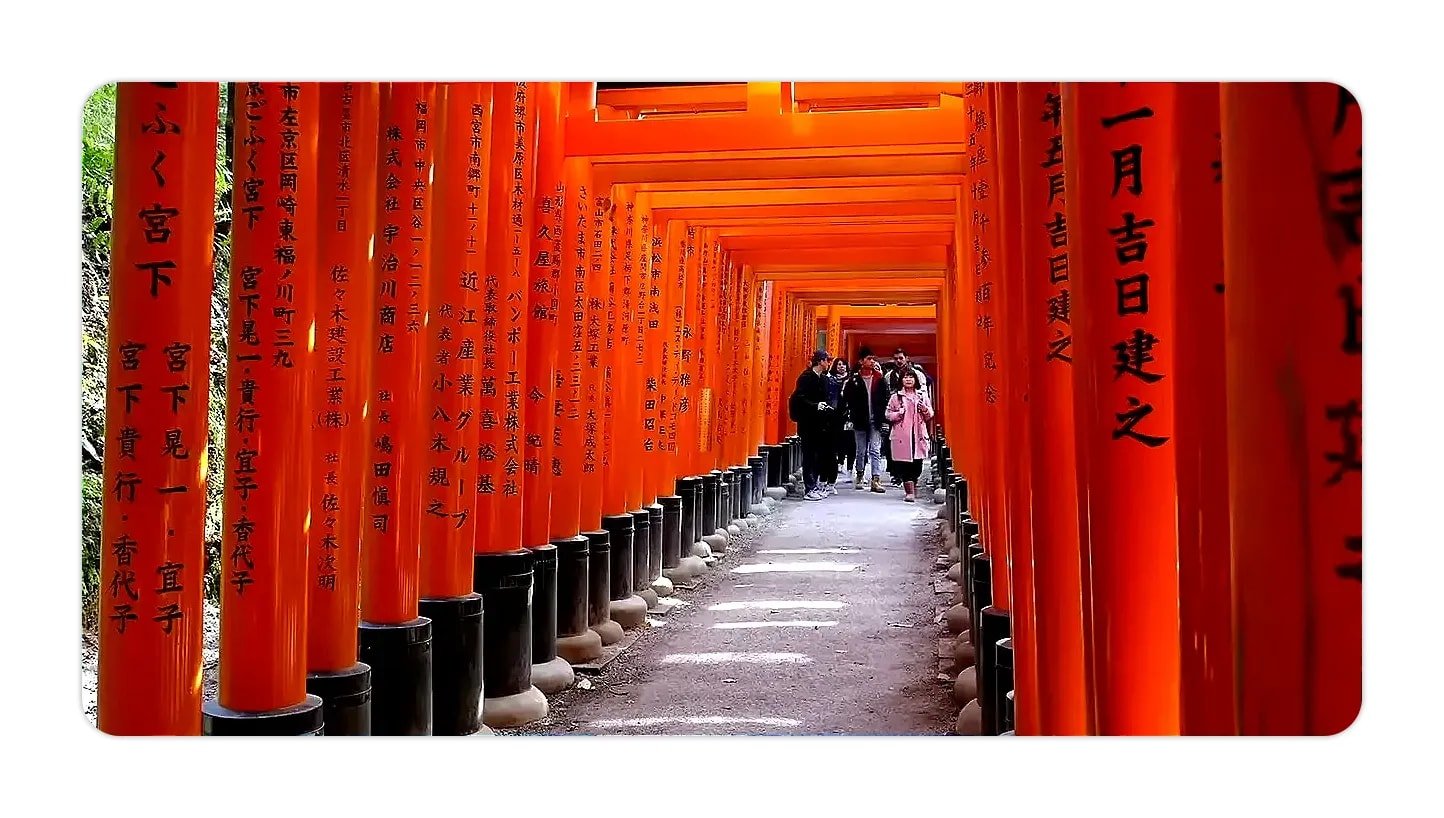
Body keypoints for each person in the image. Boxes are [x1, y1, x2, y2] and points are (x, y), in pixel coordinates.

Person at [787, 349, 835, 501]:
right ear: (820, 361)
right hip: (808, 423)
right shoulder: (806, 377)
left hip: (821, 424)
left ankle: (814, 485)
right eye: (827, 360)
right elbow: (799, 399)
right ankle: (809, 488)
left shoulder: (823, 379)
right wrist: (815, 406)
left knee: (817, 456)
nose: (829, 363)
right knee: (809, 456)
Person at [884, 366, 934, 502]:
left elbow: (930, 414)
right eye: (905, 377)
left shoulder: (922, 396)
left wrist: (924, 409)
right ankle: (909, 492)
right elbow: (888, 414)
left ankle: (913, 486)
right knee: (905, 464)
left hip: (918, 434)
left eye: (910, 377)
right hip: (902, 435)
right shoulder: (896, 397)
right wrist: (898, 413)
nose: (908, 379)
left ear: (915, 379)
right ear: (901, 380)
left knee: (917, 465)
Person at [843, 353, 889, 493]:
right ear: (861, 361)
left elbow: (885, 397)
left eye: (873, 359)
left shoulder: (879, 379)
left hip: (875, 419)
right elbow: (847, 398)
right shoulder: (854, 380)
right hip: (860, 419)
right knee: (860, 450)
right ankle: (860, 475)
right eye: (869, 359)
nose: (872, 361)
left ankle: (875, 479)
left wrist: (883, 417)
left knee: (875, 450)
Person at [827, 357, 854, 485]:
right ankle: (839, 462)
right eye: (839, 364)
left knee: (849, 441)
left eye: (843, 364)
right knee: (837, 440)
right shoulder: (830, 379)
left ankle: (849, 468)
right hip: (834, 414)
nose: (841, 366)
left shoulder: (851, 379)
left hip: (848, 414)